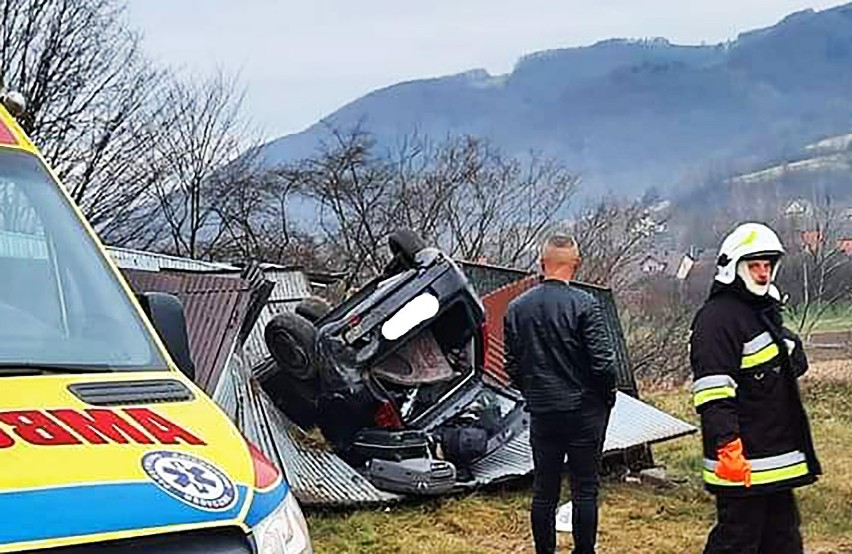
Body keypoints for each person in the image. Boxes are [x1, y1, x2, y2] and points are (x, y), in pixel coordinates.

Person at [690, 222, 821, 554]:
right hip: (743, 459)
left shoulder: (758, 313)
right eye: (754, 265)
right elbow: (713, 392)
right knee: (737, 542)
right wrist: (727, 446)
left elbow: (788, 368)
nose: (763, 273)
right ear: (734, 267)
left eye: (768, 265)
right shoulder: (716, 319)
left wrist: (786, 344)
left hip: (775, 459)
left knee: (783, 540)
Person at [503, 233, 617, 554]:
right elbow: (603, 364)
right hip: (584, 411)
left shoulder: (517, 308)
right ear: (576, 265)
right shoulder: (585, 305)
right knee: (585, 490)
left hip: (543, 410)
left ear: (542, 264)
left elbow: (512, 365)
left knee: (544, 491)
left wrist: (532, 391)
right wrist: (605, 398)